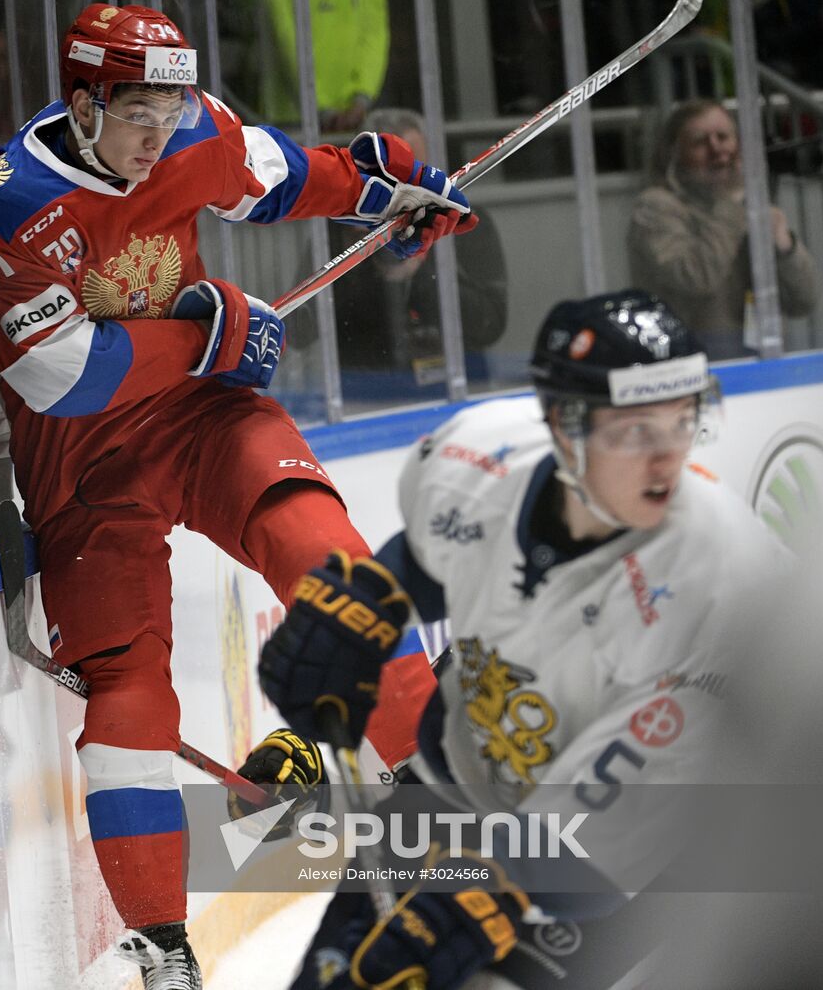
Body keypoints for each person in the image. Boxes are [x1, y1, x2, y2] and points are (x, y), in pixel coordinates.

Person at [0, 4, 477, 986]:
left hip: (203, 420)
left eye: (167, 106)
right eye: (133, 113)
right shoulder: (13, 197)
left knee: (335, 569)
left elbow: (283, 178)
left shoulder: (190, 129)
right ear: (80, 104)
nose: (156, 135)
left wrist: (388, 184)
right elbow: (53, 373)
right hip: (83, 472)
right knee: (128, 700)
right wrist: (199, 334)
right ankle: (163, 951)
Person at [255, 288, 788, 988]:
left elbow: (602, 832)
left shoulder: (720, 587)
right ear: (565, 425)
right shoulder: (481, 461)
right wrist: (365, 607)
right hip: (465, 788)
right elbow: (432, 565)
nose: (665, 459)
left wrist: (487, 888)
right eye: (634, 430)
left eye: (681, 421)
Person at [331, 107, 507, 396]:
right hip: (368, 398)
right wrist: (362, 259)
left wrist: (424, 275)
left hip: (460, 389)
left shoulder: (466, 221)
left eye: (420, 171)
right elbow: (308, 332)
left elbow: (492, 323)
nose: (412, 187)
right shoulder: (341, 228)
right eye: (396, 177)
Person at [628, 99, 817, 360]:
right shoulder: (656, 207)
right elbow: (695, 278)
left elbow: (803, 301)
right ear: (674, 153)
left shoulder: (747, 203)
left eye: (723, 137)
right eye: (700, 142)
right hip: (689, 359)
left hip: (762, 354)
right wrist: (730, 206)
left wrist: (785, 247)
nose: (716, 149)